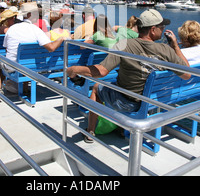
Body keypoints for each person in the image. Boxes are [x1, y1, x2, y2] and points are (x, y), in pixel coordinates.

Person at [67, 9, 191, 143]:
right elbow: (187, 74)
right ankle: (119, 126)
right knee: (114, 85)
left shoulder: (124, 44)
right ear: (153, 30)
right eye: (162, 27)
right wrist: (175, 47)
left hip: (128, 103)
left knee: (97, 88)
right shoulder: (166, 50)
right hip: (152, 102)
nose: (164, 29)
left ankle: (90, 131)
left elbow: (102, 71)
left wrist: (74, 69)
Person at [0, 2, 69, 103]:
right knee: (28, 60)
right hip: (31, 67)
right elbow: (51, 48)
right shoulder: (36, 30)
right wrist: (62, 38)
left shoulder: (11, 29)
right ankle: (25, 89)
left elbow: (8, 50)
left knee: (1, 66)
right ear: (29, 15)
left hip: (13, 67)